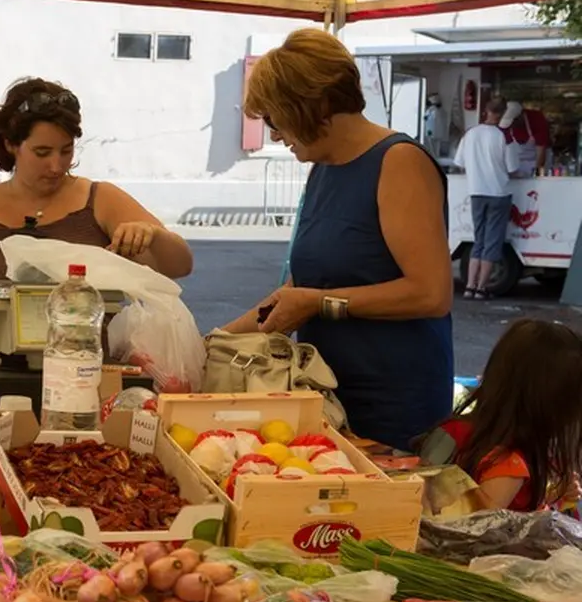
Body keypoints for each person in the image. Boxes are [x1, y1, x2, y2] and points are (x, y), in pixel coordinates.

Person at [223, 28, 453, 451]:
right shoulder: (323, 168)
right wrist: (214, 342)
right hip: (330, 393)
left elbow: (430, 294)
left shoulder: (398, 162)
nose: (274, 134)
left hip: (393, 404)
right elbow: (299, 290)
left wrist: (317, 304)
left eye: (275, 119)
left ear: (312, 105)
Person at [0, 77, 194, 310]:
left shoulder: (101, 199)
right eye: (42, 152)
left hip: (89, 370)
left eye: (66, 150)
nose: (56, 165)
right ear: (11, 144)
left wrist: (152, 236)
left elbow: (180, 264)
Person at [423, 319, 582, 511]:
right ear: (552, 406)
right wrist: (545, 505)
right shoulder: (508, 464)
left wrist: (551, 493)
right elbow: (480, 531)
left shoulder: (453, 429)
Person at [455, 97, 520, 300]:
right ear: (502, 114)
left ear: (486, 111)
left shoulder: (470, 134)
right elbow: (513, 168)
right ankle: (482, 288)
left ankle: (469, 286)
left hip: (476, 192)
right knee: (492, 242)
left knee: (478, 240)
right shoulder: (505, 137)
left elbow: (459, 162)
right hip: (498, 193)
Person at [499, 100, 552, 177]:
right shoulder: (505, 127)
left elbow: (541, 152)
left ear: (520, 116)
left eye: (513, 121)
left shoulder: (537, 119)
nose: (512, 125)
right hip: (516, 163)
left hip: (536, 160)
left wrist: (536, 174)